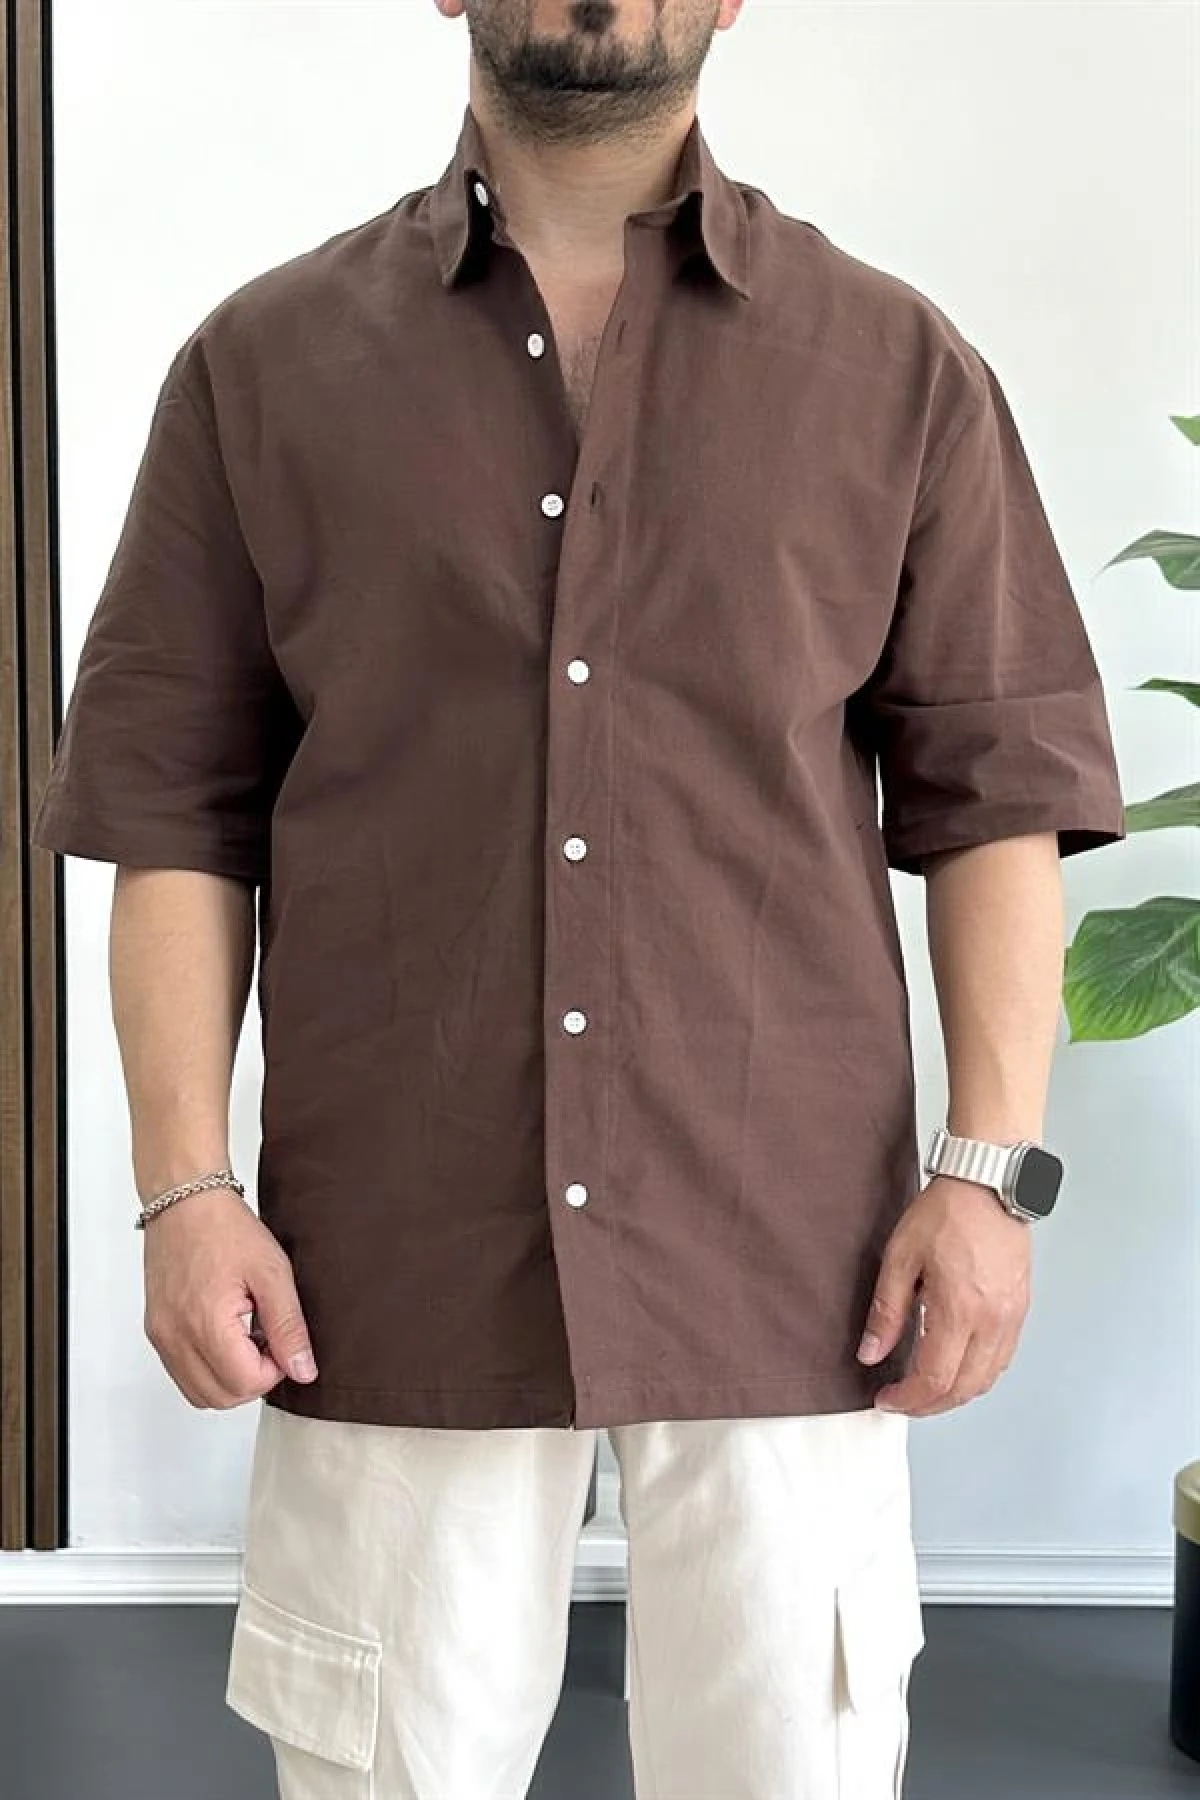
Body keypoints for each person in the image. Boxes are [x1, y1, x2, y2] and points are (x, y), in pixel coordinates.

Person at [31, 2, 1126, 1795]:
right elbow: (177, 820)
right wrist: (183, 1188)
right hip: (388, 1260)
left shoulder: (894, 366)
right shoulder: (265, 366)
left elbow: (995, 802)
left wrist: (988, 1174)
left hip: (795, 1255)